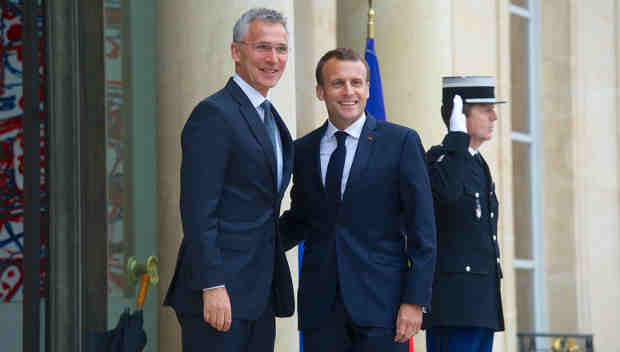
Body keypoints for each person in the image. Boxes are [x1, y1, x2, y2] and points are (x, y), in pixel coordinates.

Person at [279, 48, 437, 352]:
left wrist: (415, 301)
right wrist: (251, 243)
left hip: (384, 310)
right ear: (320, 91)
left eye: (356, 82)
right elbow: (300, 219)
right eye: (338, 83)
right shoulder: (303, 150)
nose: (348, 91)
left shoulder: (401, 142)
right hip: (320, 311)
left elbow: (423, 229)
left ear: (368, 89)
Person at [163, 8, 295, 352]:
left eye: (281, 49)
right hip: (218, 297)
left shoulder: (273, 120)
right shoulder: (214, 114)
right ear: (236, 52)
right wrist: (212, 285)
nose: (273, 58)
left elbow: (262, 211)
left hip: (259, 296)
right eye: (262, 47)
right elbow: (197, 210)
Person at [422, 76, 506, 352]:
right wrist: (456, 138)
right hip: (454, 305)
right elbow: (447, 195)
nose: (494, 116)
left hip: (480, 304)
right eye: (485, 109)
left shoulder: (476, 163)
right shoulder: (441, 159)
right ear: (459, 113)